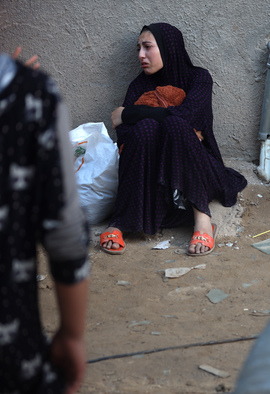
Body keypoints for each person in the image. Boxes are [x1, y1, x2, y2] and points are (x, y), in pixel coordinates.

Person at [103, 23, 247, 255]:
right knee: (147, 129)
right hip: (151, 176)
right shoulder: (137, 86)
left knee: (176, 125)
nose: (141, 55)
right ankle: (121, 220)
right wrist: (151, 123)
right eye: (138, 48)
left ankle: (202, 219)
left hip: (199, 170)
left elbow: (188, 115)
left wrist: (128, 113)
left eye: (147, 47)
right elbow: (126, 136)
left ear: (168, 48)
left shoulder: (198, 78)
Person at [0, 52, 89, 393]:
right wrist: (71, 333)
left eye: (149, 47)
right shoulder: (29, 94)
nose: (142, 55)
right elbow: (65, 234)